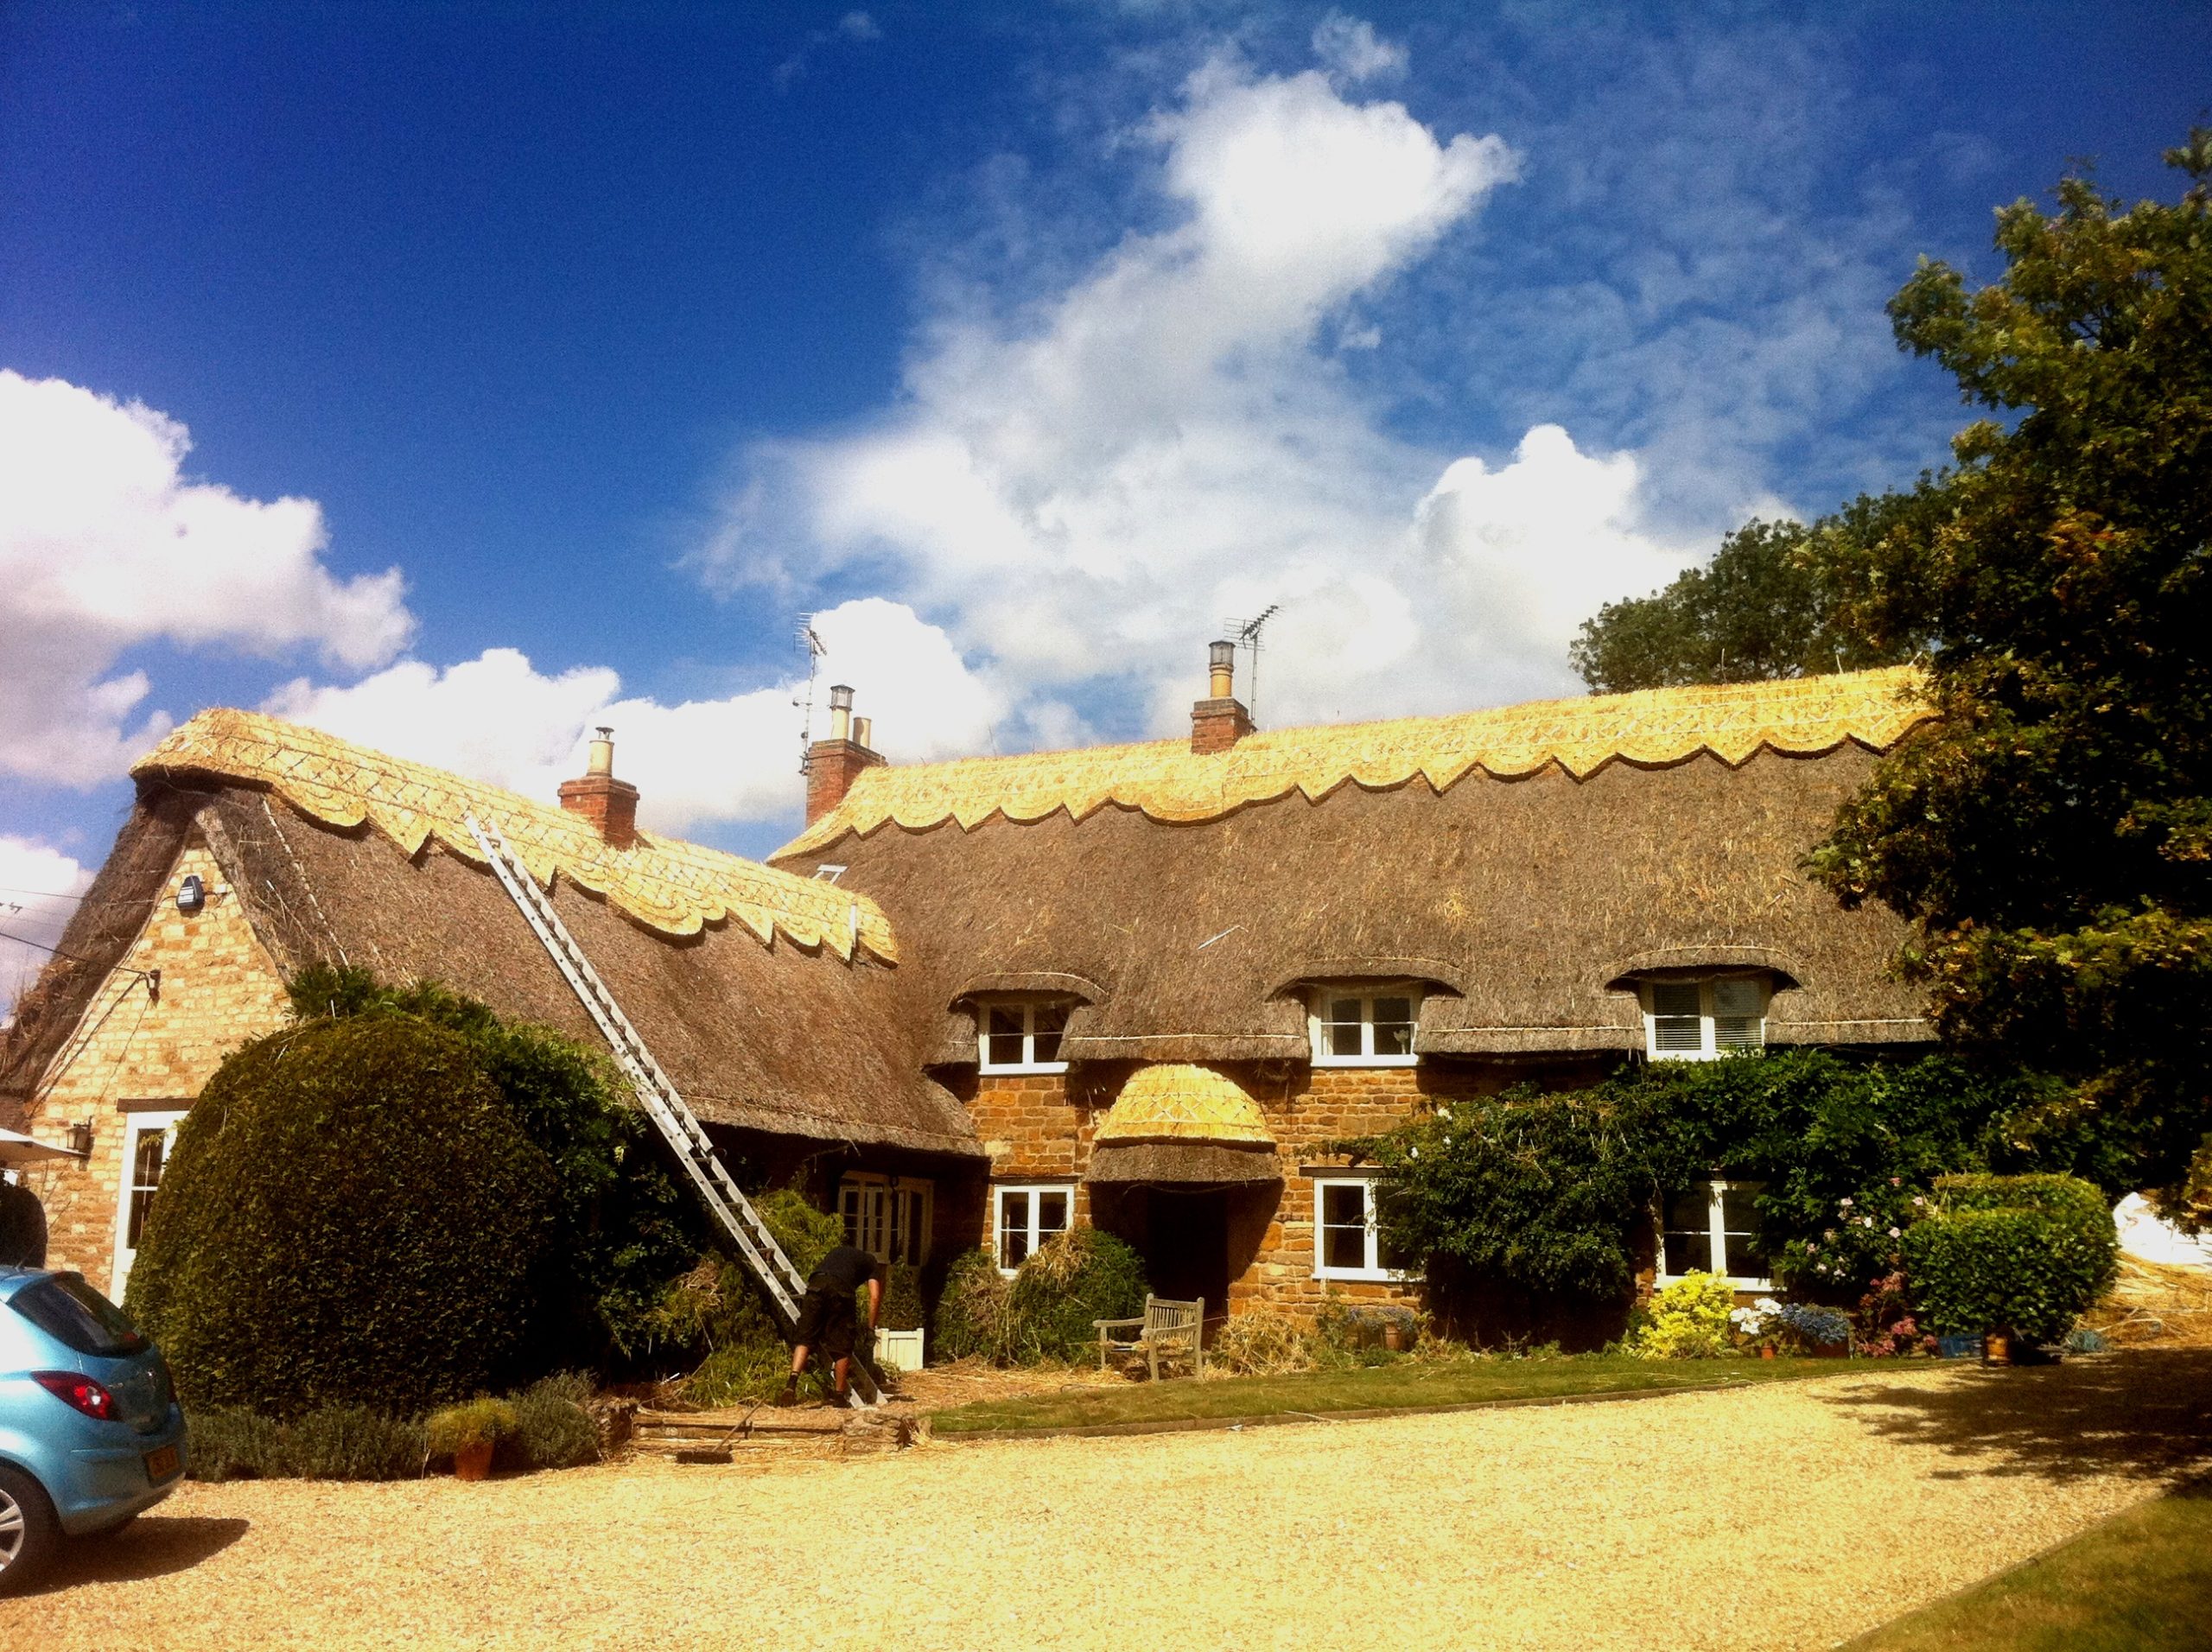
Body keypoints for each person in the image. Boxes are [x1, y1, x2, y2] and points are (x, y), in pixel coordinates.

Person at [777, 1243, 883, 1407]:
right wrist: (870, 1328)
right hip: (841, 1289)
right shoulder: (872, 1263)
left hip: (816, 1283)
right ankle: (839, 1396)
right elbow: (875, 1297)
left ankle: (791, 1384)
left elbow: (827, 1278)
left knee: (805, 1338)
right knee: (843, 1344)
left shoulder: (839, 1251)